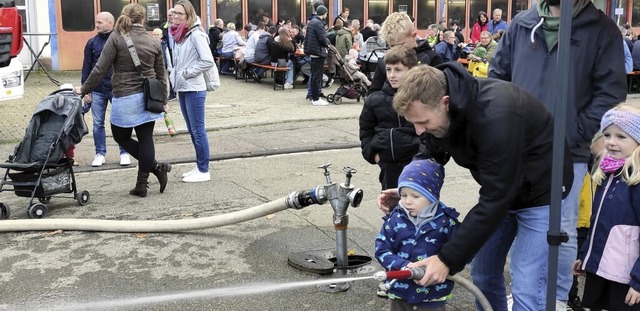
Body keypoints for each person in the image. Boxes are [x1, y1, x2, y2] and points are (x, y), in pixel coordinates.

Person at [378, 63, 574, 311]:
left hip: (543, 192)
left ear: (445, 102)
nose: (419, 131)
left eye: (423, 122)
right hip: (503, 187)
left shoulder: (496, 117)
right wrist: (409, 189)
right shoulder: (441, 109)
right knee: (482, 272)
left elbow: (495, 199)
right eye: (413, 123)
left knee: (526, 284)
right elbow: (432, 151)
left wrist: (446, 259)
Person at [489, 0, 627, 307]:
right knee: (519, 241)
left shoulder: (601, 30)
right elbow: (497, 77)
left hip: (568, 155)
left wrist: (572, 134)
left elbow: (610, 92)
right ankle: (542, 298)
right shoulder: (522, 24)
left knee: (560, 228)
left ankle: (555, 300)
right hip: (517, 150)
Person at [78, 3, 171, 197]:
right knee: (146, 139)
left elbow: (100, 68)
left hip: (124, 95)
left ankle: (151, 175)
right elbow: (162, 75)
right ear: (143, 20)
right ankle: (144, 181)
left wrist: (84, 89)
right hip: (149, 97)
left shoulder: (116, 37)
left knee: (121, 137)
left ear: (124, 16)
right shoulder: (153, 40)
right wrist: (163, 99)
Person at [573, 103, 640, 311]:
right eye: (607, 135)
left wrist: (638, 281)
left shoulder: (635, 180)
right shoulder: (607, 172)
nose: (611, 142)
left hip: (626, 276)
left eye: (621, 137)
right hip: (600, 269)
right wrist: (585, 256)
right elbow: (597, 223)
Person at [375, 159, 460, 311]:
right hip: (400, 292)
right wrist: (402, 266)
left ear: (432, 196)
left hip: (433, 295)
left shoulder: (447, 222)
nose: (407, 201)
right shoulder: (396, 218)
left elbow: (462, 250)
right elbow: (381, 248)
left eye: (415, 196)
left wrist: (447, 265)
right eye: (403, 195)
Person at [359, 46, 419, 190]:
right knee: (392, 207)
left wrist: (423, 155)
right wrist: (374, 155)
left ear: (411, 70)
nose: (392, 75)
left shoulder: (420, 98)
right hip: (389, 167)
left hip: (417, 164)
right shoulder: (375, 100)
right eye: (388, 69)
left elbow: (431, 131)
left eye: (398, 70)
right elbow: (366, 130)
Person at [170, 0, 215, 183]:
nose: (175, 16)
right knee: (192, 130)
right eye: (174, 13)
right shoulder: (181, 35)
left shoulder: (196, 35)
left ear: (189, 16)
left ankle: (204, 170)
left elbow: (207, 61)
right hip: (184, 87)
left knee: (198, 130)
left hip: (194, 88)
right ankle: (199, 166)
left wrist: (187, 73)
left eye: (180, 14)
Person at [81, 11, 131, 168]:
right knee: (97, 123)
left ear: (110, 23)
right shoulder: (91, 43)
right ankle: (100, 153)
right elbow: (86, 67)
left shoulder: (121, 40)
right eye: (96, 22)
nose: (96, 25)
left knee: (121, 122)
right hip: (97, 89)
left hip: (117, 89)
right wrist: (85, 90)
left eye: (100, 22)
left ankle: (124, 152)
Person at [566, 131, 604, 311]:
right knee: (573, 264)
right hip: (577, 225)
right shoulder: (577, 171)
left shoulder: (600, 169)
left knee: (590, 263)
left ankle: (590, 299)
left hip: (593, 226)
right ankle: (571, 297)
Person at [368, 12, 443, 95]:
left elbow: (439, 94)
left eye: (400, 45)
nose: (396, 50)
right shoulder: (384, 62)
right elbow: (372, 95)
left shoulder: (432, 58)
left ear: (414, 36)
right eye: (392, 46)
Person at [303, 4, 330, 106]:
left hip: (313, 51)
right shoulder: (318, 23)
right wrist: (328, 44)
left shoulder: (311, 22)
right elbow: (322, 38)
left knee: (314, 75)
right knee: (317, 76)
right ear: (323, 13)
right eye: (326, 13)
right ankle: (316, 98)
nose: (326, 15)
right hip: (318, 52)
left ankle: (314, 96)